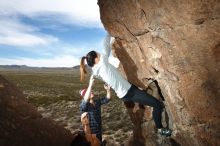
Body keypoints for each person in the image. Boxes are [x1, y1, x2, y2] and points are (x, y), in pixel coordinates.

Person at [80, 33, 172, 137]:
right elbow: (105, 45)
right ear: (96, 59)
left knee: (145, 96)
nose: (100, 55)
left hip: (125, 92)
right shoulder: (102, 64)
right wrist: (108, 32)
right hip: (129, 92)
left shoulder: (95, 71)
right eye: (98, 54)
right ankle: (160, 129)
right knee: (157, 104)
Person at [79, 76, 111, 145]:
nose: (92, 92)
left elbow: (107, 99)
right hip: (91, 133)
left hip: (99, 130)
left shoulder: (97, 102)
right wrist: (90, 85)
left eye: (91, 91)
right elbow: (85, 100)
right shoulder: (84, 106)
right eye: (90, 92)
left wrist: (108, 90)